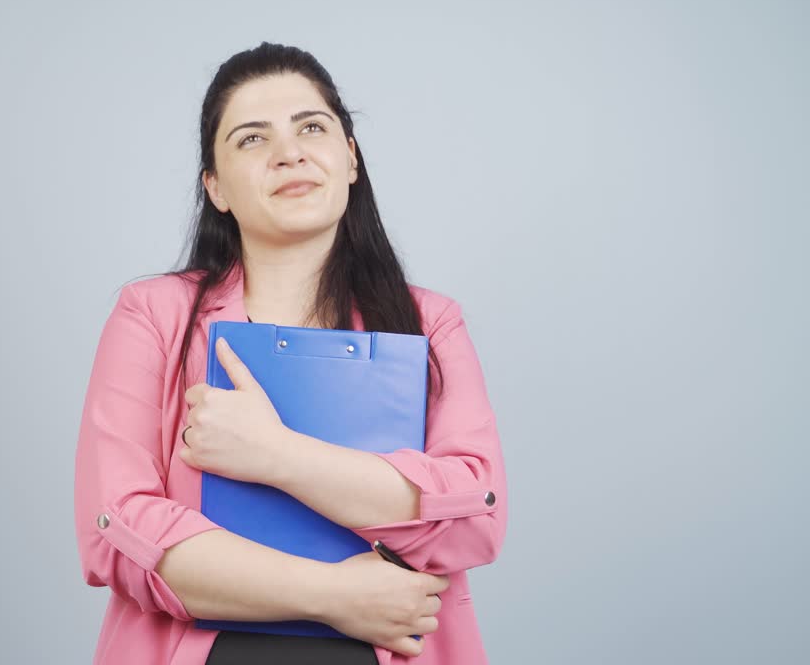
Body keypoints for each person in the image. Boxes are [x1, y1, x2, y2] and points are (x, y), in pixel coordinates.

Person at [73, 42, 508, 665]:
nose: (289, 152)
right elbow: (117, 532)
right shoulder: (154, 315)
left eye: (312, 127)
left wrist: (277, 455)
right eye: (252, 139)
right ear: (216, 187)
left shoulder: (429, 324)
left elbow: (476, 517)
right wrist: (333, 594)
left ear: (351, 159)